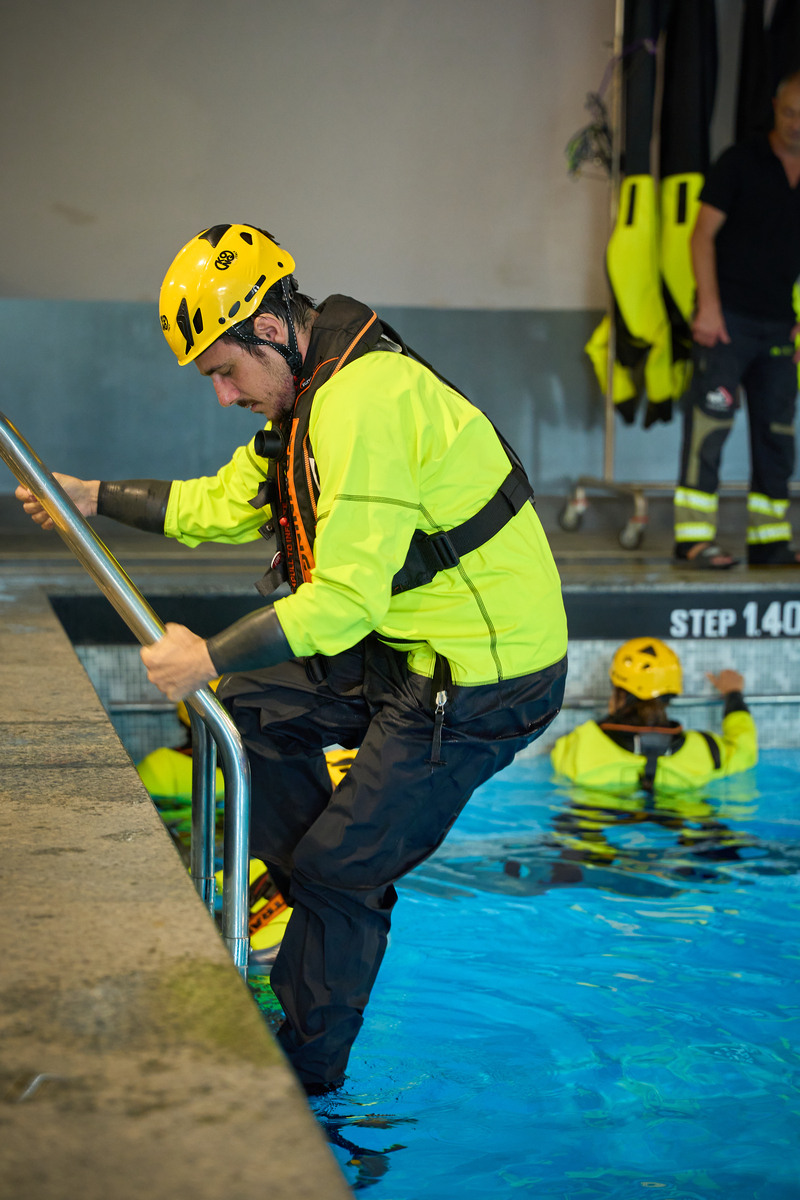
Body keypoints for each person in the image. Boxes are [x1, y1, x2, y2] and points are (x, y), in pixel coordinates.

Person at [17, 223, 568, 1093]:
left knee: (341, 870)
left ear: (270, 329)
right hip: (405, 648)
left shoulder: (366, 402)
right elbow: (216, 504)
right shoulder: (305, 402)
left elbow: (344, 603)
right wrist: (90, 496)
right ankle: (317, 897)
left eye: (225, 371)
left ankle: (306, 1074)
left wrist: (206, 654)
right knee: (243, 716)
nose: (223, 395)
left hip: (482, 679)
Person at [673, 69, 800, 570]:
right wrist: (708, 307)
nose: (796, 124)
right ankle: (692, 539)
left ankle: (770, 541)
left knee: (777, 434)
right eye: (790, 112)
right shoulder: (739, 162)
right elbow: (701, 236)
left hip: (779, 326)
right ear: (775, 109)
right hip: (725, 321)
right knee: (710, 427)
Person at [551, 638, 757, 791]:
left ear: (618, 694)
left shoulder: (579, 745)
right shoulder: (708, 750)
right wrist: (733, 694)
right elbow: (745, 752)